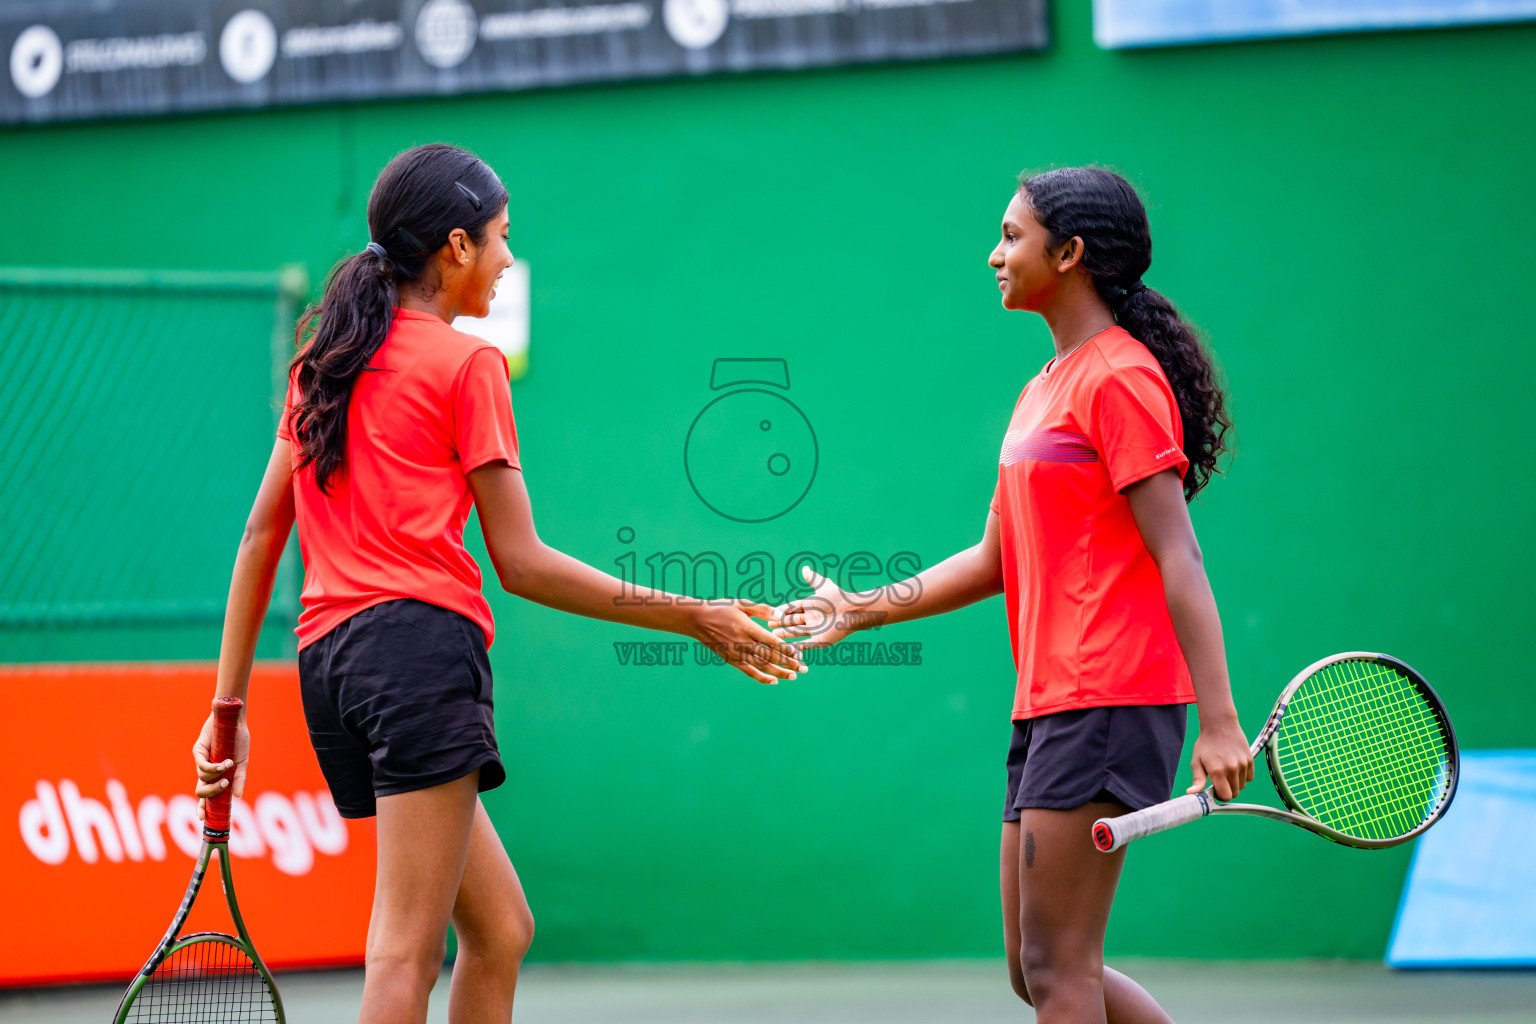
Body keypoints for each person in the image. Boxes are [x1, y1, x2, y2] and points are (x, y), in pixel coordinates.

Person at [191, 143, 807, 1024]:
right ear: (454, 247)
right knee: (404, 951)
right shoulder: (467, 365)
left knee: (501, 929)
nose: (509, 258)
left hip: (331, 669)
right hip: (416, 657)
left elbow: (261, 537)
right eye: (500, 238)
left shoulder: (321, 365)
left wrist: (226, 713)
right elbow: (521, 562)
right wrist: (693, 616)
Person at [769, 167, 1252, 1024]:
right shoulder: (1043, 391)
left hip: (1110, 696)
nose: (994, 255)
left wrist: (1218, 719)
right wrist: (863, 606)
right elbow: (998, 558)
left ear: (1068, 255)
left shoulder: (1121, 380)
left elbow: (1179, 554)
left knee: (1060, 967)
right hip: (1050, 705)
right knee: (1037, 969)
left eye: (1011, 236)